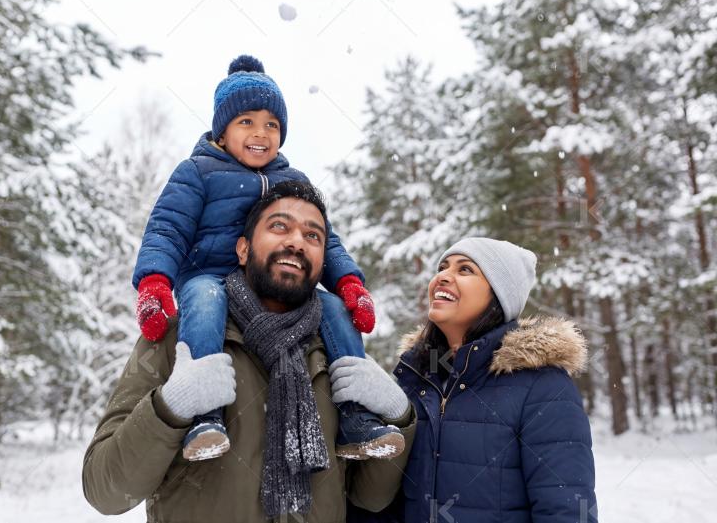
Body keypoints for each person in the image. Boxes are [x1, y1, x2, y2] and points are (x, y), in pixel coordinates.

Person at [83, 181, 416, 522]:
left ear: (322, 262)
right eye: (279, 226)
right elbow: (105, 491)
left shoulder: (338, 350)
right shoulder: (179, 338)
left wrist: (398, 414)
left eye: (313, 236)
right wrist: (171, 406)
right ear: (242, 249)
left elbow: (370, 498)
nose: (297, 242)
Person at [131, 54, 402, 462]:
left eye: (271, 125)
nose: (261, 133)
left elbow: (324, 240)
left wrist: (348, 283)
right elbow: (168, 228)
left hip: (274, 283)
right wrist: (155, 282)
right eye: (247, 122)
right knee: (205, 299)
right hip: (212, 276)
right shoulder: (197, 171)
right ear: (221, 131)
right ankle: (206, 414)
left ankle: (355, 414)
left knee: (330, 307)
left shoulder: (293, 182)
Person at [347, 237, 597, 523]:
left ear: (499, 296)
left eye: (465, 270)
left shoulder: (543, 387)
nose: (442, 276)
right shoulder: (412, 380)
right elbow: (379, 502)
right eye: (442, 267)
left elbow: (565, 510)